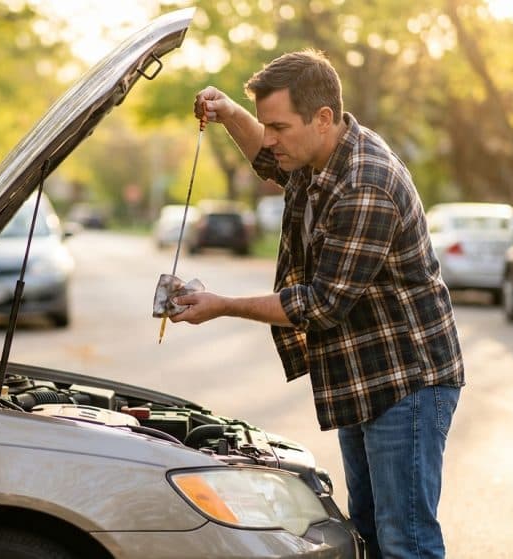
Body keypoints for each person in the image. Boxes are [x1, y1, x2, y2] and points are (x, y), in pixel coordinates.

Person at [169, 49, 465, 559]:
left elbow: (321, 305)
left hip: (406, 383)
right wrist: (229, 113)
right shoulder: (318, 157)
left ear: (322, 118)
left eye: (278, 126)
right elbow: (267, 159)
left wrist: (221, 304)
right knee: (367, 533)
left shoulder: (366, 184)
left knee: (406, 542)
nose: (270, 138)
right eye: (266, 125)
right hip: (363, 376)